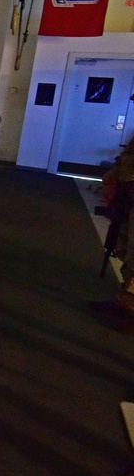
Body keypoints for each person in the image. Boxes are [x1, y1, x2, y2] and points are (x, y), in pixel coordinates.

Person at [91, 121, 134, 332]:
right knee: (126, 249)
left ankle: (130, 309)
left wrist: (118, 176)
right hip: (130, 196)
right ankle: (124, 302)